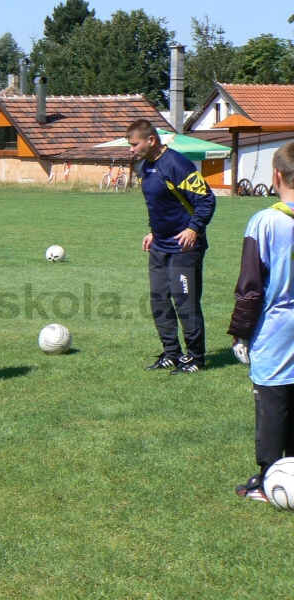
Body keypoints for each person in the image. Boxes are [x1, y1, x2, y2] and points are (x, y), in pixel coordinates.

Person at [126, 119, 216, 374]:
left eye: (135, 144)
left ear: (151, 140)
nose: (131, 149)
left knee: (185, 304)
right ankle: (171, 354)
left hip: (184, 248)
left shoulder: (176, 164)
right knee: (159, 302)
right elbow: (161, 204)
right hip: (160, 246)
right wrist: (153, 232)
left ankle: (196, 358)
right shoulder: (146, 167)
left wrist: (193, 228)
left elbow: (206, 199)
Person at [230, 141, 294, 503]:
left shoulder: (265, 221)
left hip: (276, 326)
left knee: (272, 400)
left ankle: (271, 480)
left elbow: (250, 288)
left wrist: (241, 333)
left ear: (276, 175)